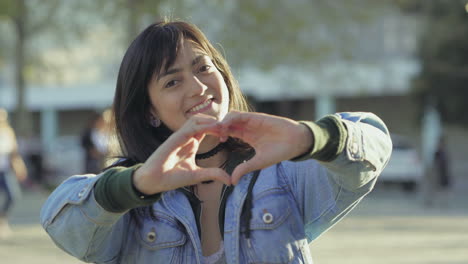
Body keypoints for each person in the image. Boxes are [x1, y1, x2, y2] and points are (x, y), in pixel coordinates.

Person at [40, 20, 392, 263]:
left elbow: (373, 147)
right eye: (172, 82)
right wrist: (137, 184)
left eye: (203, 68)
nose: (198, 86)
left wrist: (310, 138)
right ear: (149, 111)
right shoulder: (131, 192)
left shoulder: (280, 172)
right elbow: (63, 224)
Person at [0, 108, 28, 239]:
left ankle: (2, 219)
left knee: (13, 195)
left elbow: (14, 152)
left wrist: (19, 167)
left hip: (5, 170)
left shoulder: (8, 132)